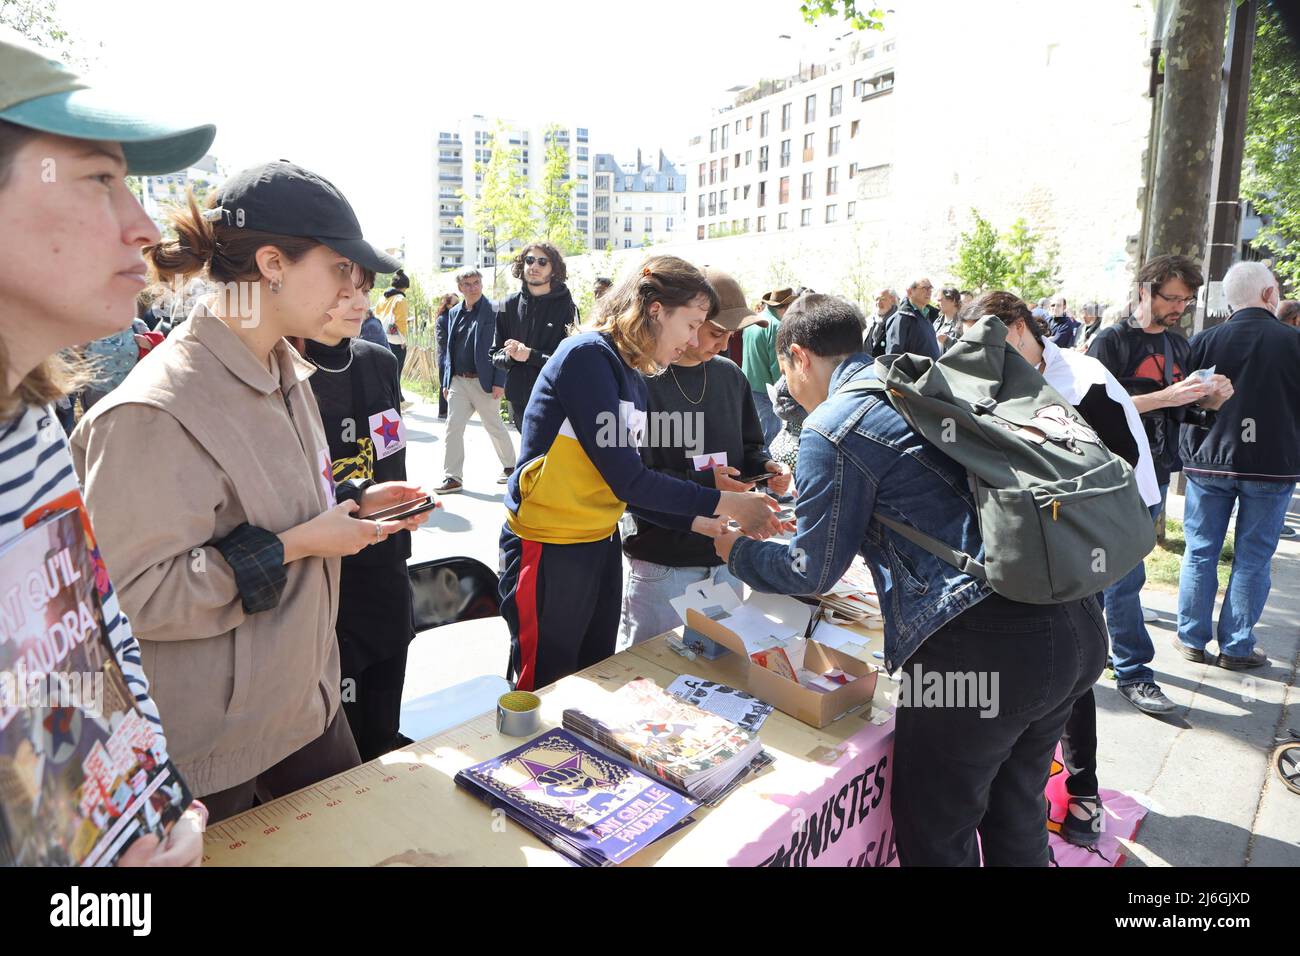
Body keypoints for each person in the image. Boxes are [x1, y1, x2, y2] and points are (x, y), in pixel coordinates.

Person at [72, 161, 431, 823]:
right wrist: (298, 545)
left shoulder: (286, 370)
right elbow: (140, 596)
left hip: (308, 711)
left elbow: (265, 502)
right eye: (342, 271)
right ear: (272, 263)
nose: (360, 296)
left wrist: (349, 501)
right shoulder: (153, 412)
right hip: (213, 757)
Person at [715, 293, 1107, 866]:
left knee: (935, 828)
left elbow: (813, 569)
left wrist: (735, 552)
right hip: (1072, 620)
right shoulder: (921, 384)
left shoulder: (834, 423)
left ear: (798, 356)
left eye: (785, 372)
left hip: (980, 654)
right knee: (1016, 806)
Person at [0, 28, 215, 865]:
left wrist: (157, 805)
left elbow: (96, 639)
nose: (146, 227)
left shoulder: (28, 419)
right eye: (99, 179)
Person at [498, 255, 784, 692]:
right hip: (549, 545)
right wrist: (723, 502)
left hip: (596, 539)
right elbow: (628, 478)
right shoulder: (587, 357)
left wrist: (700, 522)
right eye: (691, 324)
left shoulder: (630, 371)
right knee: (544, 684)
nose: (692, 340)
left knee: (592, 677)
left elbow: (629, 486)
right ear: (655, 310)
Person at [991, 290, 1160, 847]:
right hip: (1040, 545)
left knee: (1074, 664)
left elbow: (1118, 468)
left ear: (1018, 327)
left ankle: (1082, 790)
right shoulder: (1001, 376)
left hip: (1091, 541)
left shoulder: (1084, 380)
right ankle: (1034, 781)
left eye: (992, 341)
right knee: (1049, 661)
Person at [1087, 254, 1233, 715]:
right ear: (1145, 291)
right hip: (1115, 473)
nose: (1179, 308)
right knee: (1126, 577)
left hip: (1159, 470)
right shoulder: (1109, 341)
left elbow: (1183, 414)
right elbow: (1092, 408)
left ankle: (1095, 653)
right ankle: (1132, 670)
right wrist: (1167, 395)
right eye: (1171, 298)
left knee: (1115, 576)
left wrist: (1208, 402)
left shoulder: (1179, 345)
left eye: (1186, 300)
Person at [618, 267, 791, 645]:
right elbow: (633, 480)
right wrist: (706, 484)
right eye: (715, 332)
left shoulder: (730, 376)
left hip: (726, 554)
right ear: (690, 323)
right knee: (650, 674)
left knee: (719, 670)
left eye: (732, 334)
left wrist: (765, 468)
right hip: (664, 557)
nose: (725, 342)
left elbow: (749, 445)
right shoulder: (642, 381)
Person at [305, 265, 432, 760]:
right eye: (344, 292)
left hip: (386, 551)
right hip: (324, 564)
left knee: (388, 669)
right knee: (337, 705)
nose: (359, 304)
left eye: (364, 291)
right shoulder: (282, 369)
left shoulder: (378, 361)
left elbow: (390, 448)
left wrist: (403, 512)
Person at [1173, 261, 1298, 670]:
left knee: (1200, 550)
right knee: (1253, 557)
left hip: (1208, 460)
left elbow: (1183, 401)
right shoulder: (1293, 343)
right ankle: (1237, 647)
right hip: (1273, 465)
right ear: (1268, 295)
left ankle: (1191, 638)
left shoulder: (1203, 341)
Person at [435, 267, 517, 493]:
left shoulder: (495, 310)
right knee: (452, 427)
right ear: (460, 288)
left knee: (494, 426)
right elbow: (448, 349)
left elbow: (503, 348)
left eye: (476, 283)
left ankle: (511, 467)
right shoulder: (454, 313)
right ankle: (453, 477)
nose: (472, 287)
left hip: (485, 380)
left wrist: (500, 381)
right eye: (467, 284)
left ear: (481, 284)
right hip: (458, 381)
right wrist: (446, 381)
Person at [491, 243, 577, 431]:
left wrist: (531, 355)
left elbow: (570, 361)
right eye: (529, 260)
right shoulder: (507, 304)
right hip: (519, 399)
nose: (534, 266)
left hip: (554, 398)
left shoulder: (567, 307)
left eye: (542, 261)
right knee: (530, 456)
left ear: (554, 269)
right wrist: (509, 356)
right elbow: (494, 354)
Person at [742, 286, 795, 446]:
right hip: (767, 391)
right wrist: (784, 392)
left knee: (755, 435)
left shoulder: (755, 320)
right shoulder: (776, 325)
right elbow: (776, 364)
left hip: (749, 386)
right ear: (786, 307)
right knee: (769, 439)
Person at [887, 277, 941, 359]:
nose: (929, 292)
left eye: (930, 288)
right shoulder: (901, 318)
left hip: (931, 371)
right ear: (909, 292)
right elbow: (894, 356)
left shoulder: (926, 315)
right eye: (924, 288)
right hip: (915, 371)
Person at [376, 268, 410, 387]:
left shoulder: (382, 298)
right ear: (405, 286)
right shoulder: (400, 299)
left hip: (381, 337)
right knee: (396, 371)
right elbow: (400, 322)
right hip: (395, 340)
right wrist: (403, 341)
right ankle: (397, 396)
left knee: (383, 371)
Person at [432, 292, 458, 420]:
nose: (458, 306)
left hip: (456, 356)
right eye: (455, 303)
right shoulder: (442, 319)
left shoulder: (458, 316)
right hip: (445, 357)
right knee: (445, 384)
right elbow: (442, 340)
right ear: (447, 305)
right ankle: (443, 412)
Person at [863, 286, 898, 358]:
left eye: (882, 299)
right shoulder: (868, 321)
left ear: (893, 300)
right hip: (866, 365)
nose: (878, 302)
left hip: (887, 366)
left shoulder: (899, 321)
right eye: (877, 299)